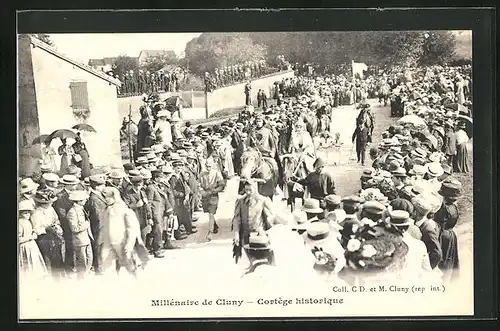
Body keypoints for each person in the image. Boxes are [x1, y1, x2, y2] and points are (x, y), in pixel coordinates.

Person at [99, 187, 147, 277]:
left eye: (108, 197)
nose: (105, 199)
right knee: (108, 268)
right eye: (104, 197)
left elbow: (132, 229)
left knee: (128, 267)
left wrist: (129, 245)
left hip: (122, 244)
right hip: (108, 244)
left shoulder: (125, 210)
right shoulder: (106, 209)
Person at [232, 179, 276, 266]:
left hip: (259, 235)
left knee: (266, 257)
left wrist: (267, 227)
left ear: (255, 190)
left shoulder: (263, 200)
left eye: (250, 190)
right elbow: (237, 219)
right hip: (245, 234)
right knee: (250, 257)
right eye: (246, 190)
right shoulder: (240, 201)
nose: (248, 192)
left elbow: (273, 215)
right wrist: (236, 233)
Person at [31, 189, 66, 280]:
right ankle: (49, 278)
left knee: (57, 257)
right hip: (44, 238)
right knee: (47, 258)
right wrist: (46, 228)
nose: (51, 203)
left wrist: (56, 225)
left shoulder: (51, 209)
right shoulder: (37, 213)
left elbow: (56, 219)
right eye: (49, 202)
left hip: (54, 236)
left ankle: (58, 277)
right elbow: (36, 229)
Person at [434, 179, 461, 283]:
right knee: (449, 257)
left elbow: (440, 223)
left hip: (443, 235)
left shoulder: (443, 208)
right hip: (451, 234)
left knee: (443, 257)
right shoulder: (454, 207)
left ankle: (443, 278)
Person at [411, 195, 443, 271]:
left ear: (415, 212)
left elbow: (437, 254)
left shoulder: (428, 230)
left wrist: (426, 269)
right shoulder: (419, 224)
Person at [18, 200, 48, 279]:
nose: (28, 214)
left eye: (29, 212)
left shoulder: (27, 221)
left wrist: (34, 232)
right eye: (25, 213)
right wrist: (30, 237)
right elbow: (19, 239)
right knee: (27, 265)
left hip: (32, 246)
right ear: (20, 213)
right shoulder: (20, 223)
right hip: (25, 246)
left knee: (35, 264)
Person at [67, 190, 93, 279]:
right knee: (82, 263)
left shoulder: (81, 209)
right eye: (84, 199)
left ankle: (85, 276)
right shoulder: (72, 212)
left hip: (86, 238)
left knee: (89, 259)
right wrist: (86, 224)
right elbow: (74, 228)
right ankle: (81, 279)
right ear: (78, 201)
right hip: (80, 240)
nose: (85, 200)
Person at [199, 159, 227, 241]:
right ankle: (214, 225)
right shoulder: (202, 174)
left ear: (212, 166)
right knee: (209, 213)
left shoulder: (216, 173)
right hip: (205, 197)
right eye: (207, 166)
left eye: (210, 166)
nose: (208, 168)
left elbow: (222, 185)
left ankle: (209, 233)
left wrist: (214, 191)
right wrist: (202, 191)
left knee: (211, 214)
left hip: (213, 196)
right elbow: (198, 185)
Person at [85, 175, 107, 274]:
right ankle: (99, 268)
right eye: (102, 185)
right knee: (98, 246)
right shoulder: (94, 199)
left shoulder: (98, 195)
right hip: (99, 225)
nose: (104, 187)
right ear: (97, 187)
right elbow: (98, 216)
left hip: (102, 224)